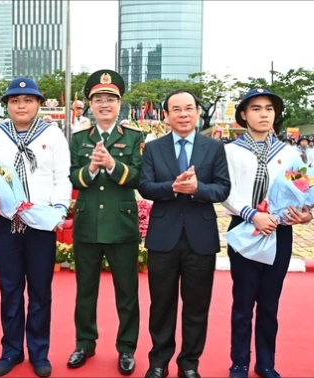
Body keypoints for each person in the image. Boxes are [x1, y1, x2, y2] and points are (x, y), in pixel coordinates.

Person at [0, 77, 71, 378]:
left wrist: (58, 212)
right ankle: (11, 350)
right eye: (15, 101)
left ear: (38, 104)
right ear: (7, 105)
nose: (21, 105)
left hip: (41, 224)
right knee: (10, 290)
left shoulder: (53, 135)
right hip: (6, 223)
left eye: (28, 100)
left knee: (41, 291)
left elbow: (62, 177)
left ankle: (39, 351)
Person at [138, 90, 231, 378]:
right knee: (161, 304)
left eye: (189, 108)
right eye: (176, 109)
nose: (183, 114)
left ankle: (189, 364)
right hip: (163, 237)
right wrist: (173, 187)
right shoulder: (154, 148)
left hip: (200, 237)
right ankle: (158, 362)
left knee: (196, 306)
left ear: (197, 112)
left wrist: (198, 189)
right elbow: (145, 187)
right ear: (166, 114)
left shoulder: (213, 147)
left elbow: (222, 188)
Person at [221, 89, 311, 378]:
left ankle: (266, 363)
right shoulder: (230, 151)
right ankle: (239, 362)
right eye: (256, 109)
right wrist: (252, 215)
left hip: (279, 232)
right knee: (243, 303)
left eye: (269, 109)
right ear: (243, 115)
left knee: (270, 303)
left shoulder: (290, 153)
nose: (263, 114)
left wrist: (304, 214)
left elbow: (303, 191)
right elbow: (226, 192)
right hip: (244, 229)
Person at [67, 69, 143, 375]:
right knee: (86, 290)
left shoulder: (135, 137)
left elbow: (139, 177)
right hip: (87, 225)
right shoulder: (78, 139)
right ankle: (85, 342)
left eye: (110, 99)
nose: (105, 104)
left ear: (119, 103)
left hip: (121, 225)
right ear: (90, 104)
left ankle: (126, 348)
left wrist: (112, 164)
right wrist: (92, 168)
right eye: (98, 99)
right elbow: (72, 176)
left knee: (127, 292)